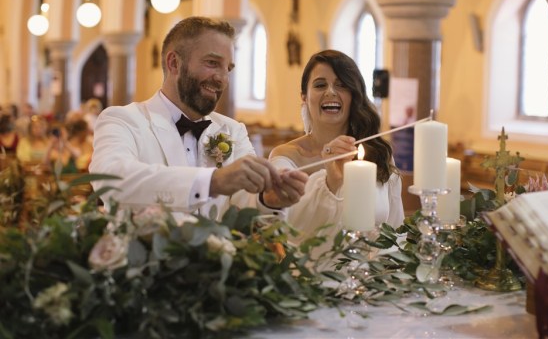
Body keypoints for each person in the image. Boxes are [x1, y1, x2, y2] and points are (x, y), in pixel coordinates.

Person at [89, 16, 307, 220]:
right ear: (174, 63)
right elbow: (111, 181)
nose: (222, 79)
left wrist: (267, 200)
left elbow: (245, 201)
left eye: (228, 69)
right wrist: (211, 182)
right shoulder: (122, 120)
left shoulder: (232, 130)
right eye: (212, 63)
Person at [261, 50, 404, 248]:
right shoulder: (285, 156)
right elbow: (286, 222)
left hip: (371, 273)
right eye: (320, 85)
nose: (331, 92)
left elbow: (394, 226)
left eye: (342, 85)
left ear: (354, 95)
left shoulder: (378, 152)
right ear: (304, 96)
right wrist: (330, 181)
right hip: (308, 275)